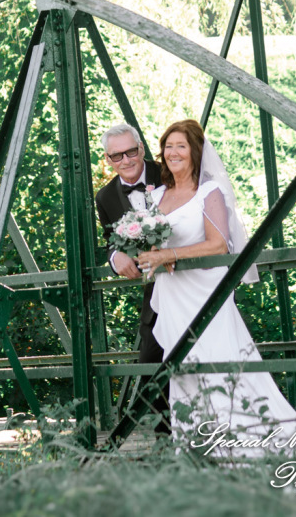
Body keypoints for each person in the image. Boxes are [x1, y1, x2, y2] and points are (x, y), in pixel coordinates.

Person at [135, 119, 296, 452]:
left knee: (217, 360)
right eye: (168, 146)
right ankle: (193, 445)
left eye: (180, 146)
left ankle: (244, 439)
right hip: (172, 296)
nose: (172, 153)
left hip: (203, 294)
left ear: (195, 152)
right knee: (182, 368)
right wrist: (150, 253)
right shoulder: (156, 195)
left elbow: (218, 245)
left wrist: (170, 253)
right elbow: (150, 244)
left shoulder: (208, 191)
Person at [94, 123, 169, 432]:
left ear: (141, 147)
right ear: (107, 159)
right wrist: (115, 257)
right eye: (116, 156)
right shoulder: (106, 197)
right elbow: (109, 240)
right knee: (150, 364)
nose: (126, 160)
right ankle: (169, 441)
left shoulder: (169, 173)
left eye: (131, 151)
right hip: (157, 288)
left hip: (192, 274)